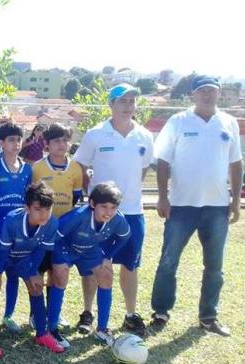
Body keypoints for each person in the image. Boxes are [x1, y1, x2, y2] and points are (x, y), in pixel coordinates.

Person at [150, 75, 243, 336]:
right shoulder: (178, 121)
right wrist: (162, 196)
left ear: (219, 93)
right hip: (181, 205)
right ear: (193, 95)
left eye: (212, 90)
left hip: (216, 207)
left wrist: (235, 200)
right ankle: (160, 312)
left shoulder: (228, 123)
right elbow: (164, 161)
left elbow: (235, 164)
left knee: (214, 266)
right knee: (169, 261)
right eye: (202, 91)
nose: (207, 95)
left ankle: (208, 317)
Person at [74, 83, 154, 338]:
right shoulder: (95, 134)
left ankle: (130, 315)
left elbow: (142, 171)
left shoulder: (144, 136)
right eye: (122, 101)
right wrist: (93, 197)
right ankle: (88, 313)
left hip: (132, 212)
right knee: (92, 265)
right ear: (111, 104)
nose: (128, 106)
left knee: (130, 265)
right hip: (99, 214)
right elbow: (80, 166)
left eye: (132, 101)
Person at [47, 182, 131, 346]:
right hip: (66, 247)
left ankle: (102, 329)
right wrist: (57, 262)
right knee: (61, 276)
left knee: (106, 275)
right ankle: (52, 329)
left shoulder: (118, 219)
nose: (109, 212)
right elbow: (54, 238)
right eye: (104, 207)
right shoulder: (77, 216)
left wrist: (108, 256)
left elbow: (124, 237)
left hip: (90, 248)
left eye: (113, 207)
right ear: (92, 204)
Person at [0, 181, 64, 355]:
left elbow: (43, 248)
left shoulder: (52, 223)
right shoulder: (12, 220)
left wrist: (34, 270)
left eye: (47, 209)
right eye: (38, 209)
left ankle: (42, 334)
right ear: (27, 208)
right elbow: (2, 249)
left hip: (23, 256)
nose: (44, 214)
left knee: (36, 286)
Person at [31, 123, 83, 341]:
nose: (61, 145)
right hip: (42, 230)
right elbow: (33, 198)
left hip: (65, 232)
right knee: (40, 271)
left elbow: (76, 197)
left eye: (65, 140)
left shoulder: (75, 169)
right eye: (56, 141)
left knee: (59, 272)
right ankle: (36, 314)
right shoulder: (38, 168)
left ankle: (54, 315)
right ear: (47, 144)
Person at [0, 121, 32, 333]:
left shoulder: (27, 170)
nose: (15, 144)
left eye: (18, 140)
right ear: (1, 143)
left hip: (19, 233)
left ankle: (9, 315)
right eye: (10, 140)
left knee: (13, 275)